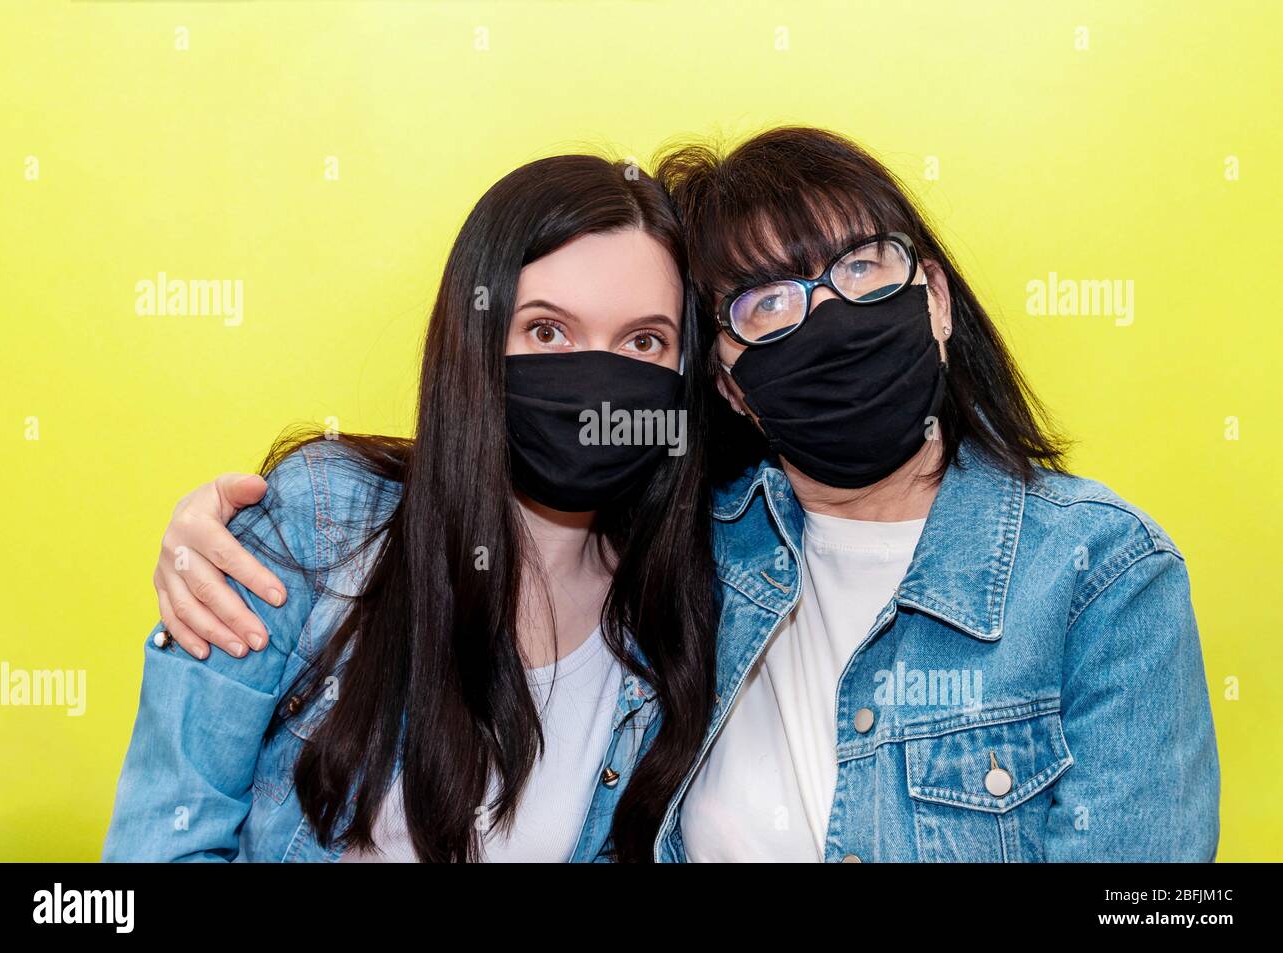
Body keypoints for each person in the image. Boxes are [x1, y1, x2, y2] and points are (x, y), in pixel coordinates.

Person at [136, 127, 1220, 863]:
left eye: (864, 272)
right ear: (730, 380)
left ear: (933, 295)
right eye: (770, 303)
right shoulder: (700, 559)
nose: (830, 319)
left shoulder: (1098, 577)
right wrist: (229, 529)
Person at [103, 154, 718, 863]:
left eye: (643, 342)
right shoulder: (318, 520)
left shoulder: (674, 618)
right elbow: (159, 843)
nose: (596, 379)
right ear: (478, 340)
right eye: (548, 331)